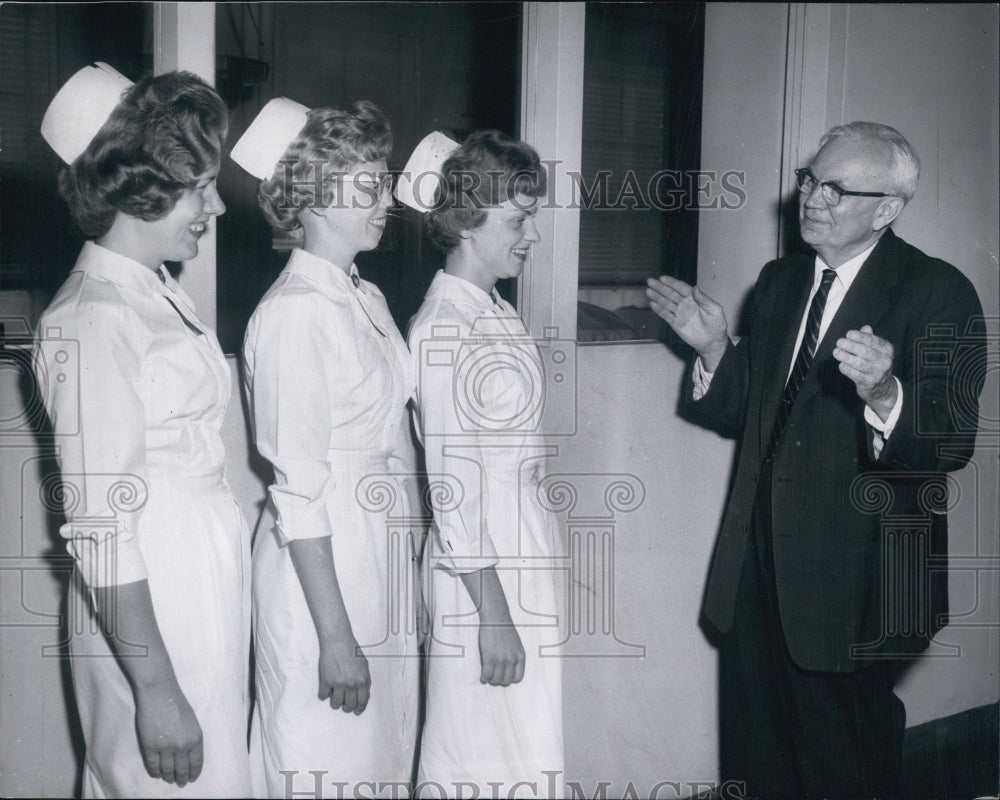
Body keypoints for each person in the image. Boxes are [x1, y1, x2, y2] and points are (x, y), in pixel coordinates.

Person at [647, 121, 986, 798]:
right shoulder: (778, 283)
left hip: (859, 587)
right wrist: (715, 350)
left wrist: (886, 390)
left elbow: (951, 439)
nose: (813, 198)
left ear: (887, 208)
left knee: (844, 769)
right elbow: (755, 414)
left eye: (837, 188)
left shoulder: (938, 292)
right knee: (760, 761)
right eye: (810, 180)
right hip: (757, 573)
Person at [34, 64, 252, 797]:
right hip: (148, 603)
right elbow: (100, 527)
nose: (214, 206)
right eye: (199, 187)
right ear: (139, 187)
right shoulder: (93, 318)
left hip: (192, 580)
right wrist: (155, 693)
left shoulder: (153, 292)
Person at [232, 99, 420, 798]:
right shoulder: (294, 316)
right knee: (326, 761)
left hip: (373, 550)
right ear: (310, 197)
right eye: (370, 186)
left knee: (378, 761)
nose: (388, 201)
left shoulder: (362, 295)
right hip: (320, 572)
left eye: (385, 180)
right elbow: (299, 493)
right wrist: (336, 639)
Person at [403, 130, 565, 799]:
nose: (531, 235)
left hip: (520, 542)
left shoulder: (493, 308)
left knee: (524, 748)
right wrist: (493, 617)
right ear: (468, 218)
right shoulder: (445, 326)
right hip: (481, 570)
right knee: (479, 755)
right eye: (519, 219)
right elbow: (453, 486)